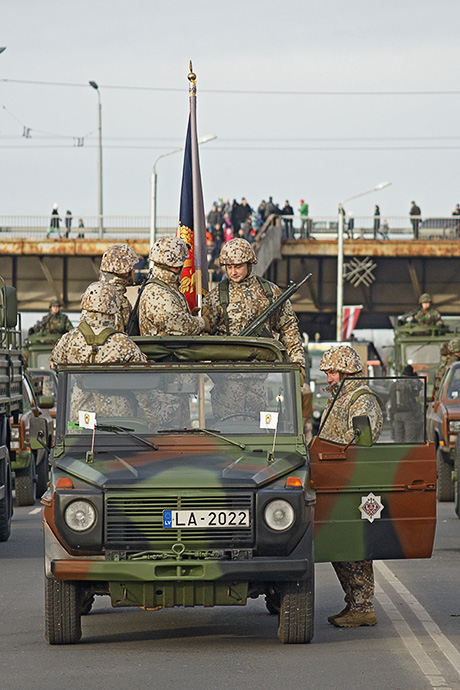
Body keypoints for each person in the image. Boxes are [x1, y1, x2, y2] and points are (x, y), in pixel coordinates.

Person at [318, 344, 383, 628]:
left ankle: (363, 607)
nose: (329, 377)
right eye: (328, 372)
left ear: (348, 371)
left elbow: (359, 437)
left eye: (333, 372)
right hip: (335, 478)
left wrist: (331, 454)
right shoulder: (340, 398)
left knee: (353, 546)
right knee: (337, 546)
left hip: (353, 480)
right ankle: (353, 603)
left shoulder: (361, 399)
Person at [202, 238, 305, 375]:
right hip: (226, 377)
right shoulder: (217, 296)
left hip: (260, 374)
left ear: (249, 264)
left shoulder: (269, 292)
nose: (233, 272)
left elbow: (288, 328)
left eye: (238, 266)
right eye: (229, 267)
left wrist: (298, 363)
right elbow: (204, 336)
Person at [51, 282, 147, 422]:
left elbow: (56, 362)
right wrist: (153, 420)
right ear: (114, 307)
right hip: (119, 423)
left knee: (79, 440)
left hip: (80, 420)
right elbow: (143, 386)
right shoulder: (124, 344)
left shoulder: (68, 341)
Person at [138, 235, 207, 336]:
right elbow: (179, 325)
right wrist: (202, 322)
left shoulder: (168, 286)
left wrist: (191, 317)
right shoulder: (157, 292)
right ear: (177, 266)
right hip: (163, 350)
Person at [99, 244, 140, 332]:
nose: (134, 271)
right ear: (125, 271)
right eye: (132, 267)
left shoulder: (96, 293)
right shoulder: (116, 299)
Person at [389, 365, 423, 442]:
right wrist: (415, 377)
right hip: (409, 414)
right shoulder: (411, 383)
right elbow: (419, 387)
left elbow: (391, 397)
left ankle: (399, 453)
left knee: (398, 439)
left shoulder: (396, 384)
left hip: (396, 414)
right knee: (410, 439)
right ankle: (409, 453)